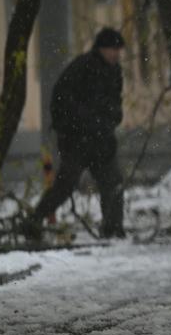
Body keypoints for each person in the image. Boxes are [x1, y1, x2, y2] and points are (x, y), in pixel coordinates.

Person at [27, 27, 126, 239]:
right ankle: (34, 220)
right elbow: (62, 100)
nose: (116, 54)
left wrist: (112, 118)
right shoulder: (82, 68)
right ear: (101, 49)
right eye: (113, 49)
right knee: (66, 185)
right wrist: (80, 125)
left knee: (113, 183)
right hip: (77, 141)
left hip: (102, 140)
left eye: (118, 49)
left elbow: (115, 103)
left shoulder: (114, 71)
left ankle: (113, 228)